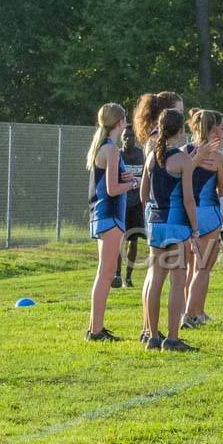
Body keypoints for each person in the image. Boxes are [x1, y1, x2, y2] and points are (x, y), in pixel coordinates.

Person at [140, 109, 199, 352]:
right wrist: (195, 229)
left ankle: (152, 336)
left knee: (155, 280)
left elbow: (144, 194)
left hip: (155, 223)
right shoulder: (183, 159)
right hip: (175, 224)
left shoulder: (151, 156)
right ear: (181, 131)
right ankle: (172, 339)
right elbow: (188, 200)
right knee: (177, 281)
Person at [86, 103, 138, 341]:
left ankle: (95, 328)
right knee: (106, 274)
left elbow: (110, 180)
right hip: (110, 214)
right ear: (120, 123)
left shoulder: (103, 147)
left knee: (104, 273)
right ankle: (95, 330)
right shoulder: (112, 149)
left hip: (104, 214)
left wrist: (125, 177)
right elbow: (112, 189)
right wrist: (132, 184)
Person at [133, 92, 183, 341]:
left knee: (155, 275)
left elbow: (145, 188)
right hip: (169, 216)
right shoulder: (158, 143)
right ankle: (151, 330)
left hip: (155, 216)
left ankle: (149, 331)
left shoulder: (153, 143)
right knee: (165, 277)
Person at [182, 109, 223, 329]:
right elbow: (221, 190)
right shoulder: (218, 157)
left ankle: (196, 310)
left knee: (191, 268)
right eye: (221, 127)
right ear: (211, 129)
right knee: (203, 269)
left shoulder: (184, 152)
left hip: (185, 214)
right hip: (208, 214)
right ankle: (190, 315)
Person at [117, 124, 147, 289]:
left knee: (133, 240)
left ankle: (128, 278)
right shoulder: (117, 155)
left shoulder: (140, 155)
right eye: (125, 136)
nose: (128, 139)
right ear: (121, 139)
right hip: (120, 202)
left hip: (136, 203)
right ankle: (116, 275)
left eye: (131, 136)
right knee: (119, 240)